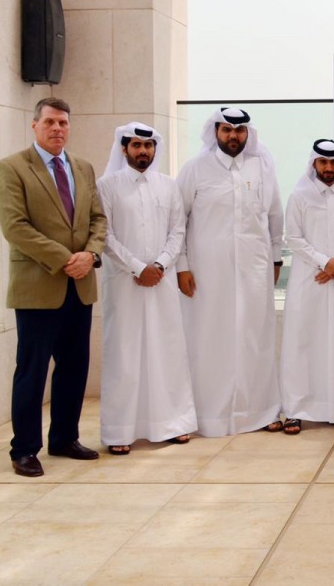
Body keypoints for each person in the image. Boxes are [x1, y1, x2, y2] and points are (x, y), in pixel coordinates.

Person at [0, 97, 107, 477]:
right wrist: (66, 259)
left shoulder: (83, 168)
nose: (57, 129)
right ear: (35, 126)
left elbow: (98, 219)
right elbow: (15, 226)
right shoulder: (12, 168)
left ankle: (64, 438)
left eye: (63, 123)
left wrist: (90, 255)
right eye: (50, 122)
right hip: (38, 287)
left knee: (74, 367)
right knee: (32, 369)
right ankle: (24, 449)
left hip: (81, 285)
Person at [175, 107, 284, 436]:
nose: (233, 136)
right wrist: (181, 266)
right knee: (210, 340)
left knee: (255, 339)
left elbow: (274, 216)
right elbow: (177, 221)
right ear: (215, 132)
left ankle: (260, 412)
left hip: (254, 270)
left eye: (239, 130)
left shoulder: (262, 167)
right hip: (207, 273)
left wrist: (276, 260)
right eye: (226, 130)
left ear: (247, 134)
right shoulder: (195, 169)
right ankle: (209, 416)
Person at [96, 122, 197, 454]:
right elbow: (105, 236)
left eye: (148, 145)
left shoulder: (168, 187)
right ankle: (120, 431)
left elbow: (178, 230)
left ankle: (173, 424)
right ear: (124, 149)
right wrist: (138, 267)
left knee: (166, 350)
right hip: (125, 283)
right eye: (136, 145)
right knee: (125, 353)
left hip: (162, 281)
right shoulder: (106, 186)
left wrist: (160, 265)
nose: (143, 151)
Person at [279, 139, 334, 433]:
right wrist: (322, 262)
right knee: (301, 344)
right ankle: (294, 409)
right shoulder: (300, 197)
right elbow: (293, 238)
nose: (329, 168)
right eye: (323, 163)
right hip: (309, 282)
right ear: (314, 164)